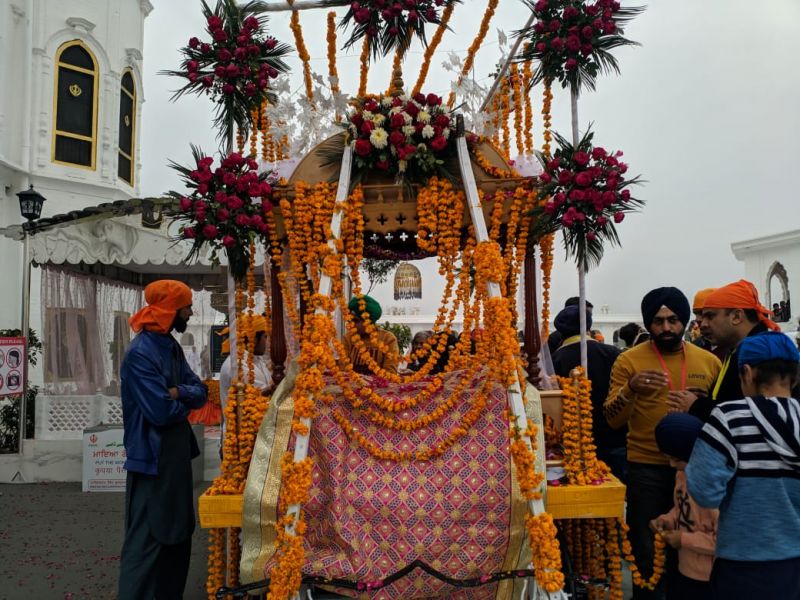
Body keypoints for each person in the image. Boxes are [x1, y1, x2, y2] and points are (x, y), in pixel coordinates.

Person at [603, 287, 721, 600]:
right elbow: (612, 420)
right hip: (647, 471)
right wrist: (631, 389)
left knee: (698, 552)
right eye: (658, 321)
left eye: (673, 320)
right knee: (646, 550)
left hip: (699, 473)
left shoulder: (709, 362)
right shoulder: (628, 362)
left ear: (684, 321)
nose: (666, 327)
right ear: (648, 323)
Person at [686, 332, 800, 599]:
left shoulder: (729, 417)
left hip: (743, 561)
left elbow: (704, 491)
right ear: (794, 375)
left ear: (747, 373)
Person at [118, 280, 208, 600]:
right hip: (153, 462)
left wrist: (178, 392)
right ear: (170, 309)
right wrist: (180, 398)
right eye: (186, 307)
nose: (191, 312)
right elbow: (159, 411)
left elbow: (200, 391)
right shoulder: (139, 353)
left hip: (176, 457)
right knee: (147, 542)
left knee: (178, 535)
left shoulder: (169, 345)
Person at [551, 306, 627, 481]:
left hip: (575, 444)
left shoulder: (556, 359)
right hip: (614, 437)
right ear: (588, 325)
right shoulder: (612, 353)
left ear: (561, 332)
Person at [651, 413, 717, 600]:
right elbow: (682, 508)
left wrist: (684, 540)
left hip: (709, 578)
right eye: (667, 458)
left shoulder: (715, 486)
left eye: (677, 459)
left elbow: (725, 539)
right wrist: (666, 520)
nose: (672, 465)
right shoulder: (682, 473)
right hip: (684, 569)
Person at [696, 280, 781, 416]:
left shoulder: (762, 354)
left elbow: (757, 415)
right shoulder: (736, 349)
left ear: (736, 316)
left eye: (710, 316)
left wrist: (696, 406)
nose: (703, 324)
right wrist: (709, 397)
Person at [218, 315, 271, 448]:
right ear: (254, 338)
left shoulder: (256, 360)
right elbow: (263, 396)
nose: (267, 341)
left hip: (255, 433)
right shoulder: (237, 366)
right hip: (241, 440)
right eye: (265, 337)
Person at [344, 295, 400, 374]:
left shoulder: (388, 339)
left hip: (379, 385)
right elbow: (342, 369)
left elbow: (390, 373)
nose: (351, 325)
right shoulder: (348, 338)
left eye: (356, 321)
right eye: (349, 321)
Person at [690, 288, 725, 360]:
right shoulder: (695, 347)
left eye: (702, 313)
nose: (697, 319)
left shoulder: (736, 349)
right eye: (695, 313)